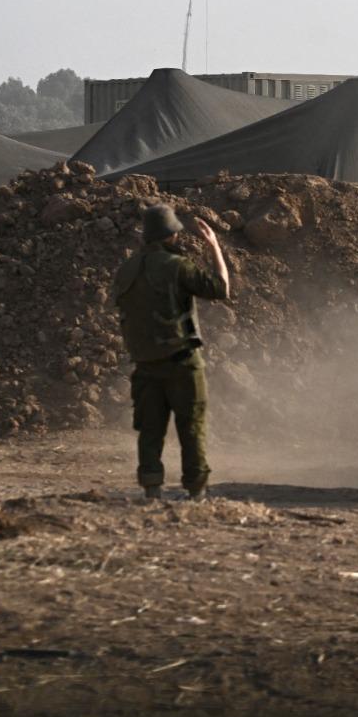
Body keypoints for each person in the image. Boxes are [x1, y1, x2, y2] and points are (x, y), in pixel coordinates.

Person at [111, 204, 231, 501]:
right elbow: (220, 288)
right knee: (192, 426)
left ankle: (152, 488)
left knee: (150, 430)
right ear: (171, 235)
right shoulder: (176, 265)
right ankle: (196, 490)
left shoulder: (126, 270)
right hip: (182, 361)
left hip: (145, 364)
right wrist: (213, 246)